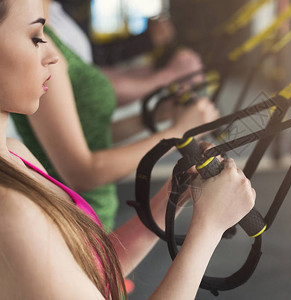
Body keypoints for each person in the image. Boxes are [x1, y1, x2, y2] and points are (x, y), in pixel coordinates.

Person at [0, 0, 256, 299]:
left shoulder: (16, 155)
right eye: (36, 39)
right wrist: (209, 227)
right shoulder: (13, 213)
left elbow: (90, 272)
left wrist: (170, 199)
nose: (53, 57)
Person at [11, 0, 220, 229]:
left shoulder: (55, 28)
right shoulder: (41, 46)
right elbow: (81, 173)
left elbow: (88, 134)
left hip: (93, 216)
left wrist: (157, 116)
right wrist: (177, 132)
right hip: (76, 222)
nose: (49, 54)